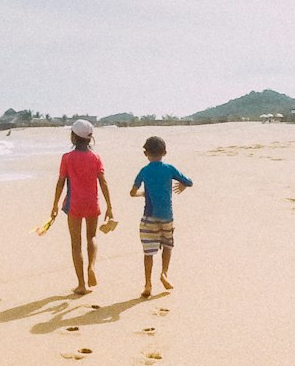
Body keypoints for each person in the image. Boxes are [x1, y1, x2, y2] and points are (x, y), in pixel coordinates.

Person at [48, 119, 113, 295]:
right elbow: (103, 181)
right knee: (92, 237)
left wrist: (54, 204)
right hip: (92, 203)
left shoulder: (67, 158)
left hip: (74, 205)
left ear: (73, 137)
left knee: (75, 245)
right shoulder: (95, 157)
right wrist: (110, 206)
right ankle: (91, 267)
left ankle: (82, 284)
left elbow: (61, 182)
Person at [129, 135, 193, 297]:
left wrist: (143, 194)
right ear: (164, 152)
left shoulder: (144, 170)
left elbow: (132, 192)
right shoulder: (169, 169)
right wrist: (183, 186)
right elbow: (189, 181)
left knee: (148, 252)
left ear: (146, 154)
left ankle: (148, 284)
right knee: (167, 245)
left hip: (149, 216)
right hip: (167, 216)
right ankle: (164, 274)